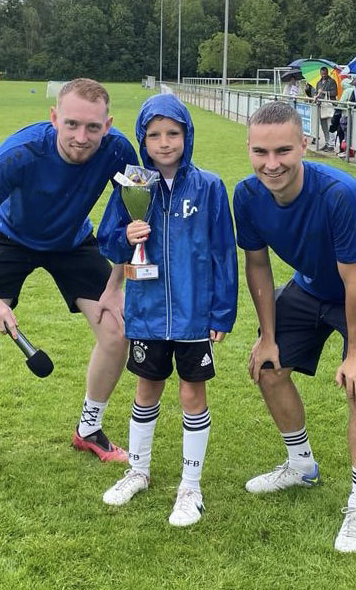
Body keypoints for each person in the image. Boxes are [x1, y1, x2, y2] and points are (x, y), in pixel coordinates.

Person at [0, 78, 139, 486]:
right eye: (71, 124)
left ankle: (89, 429)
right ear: (54, 118)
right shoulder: (21, 152)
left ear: (108, 125)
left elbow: (133, 218)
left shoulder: (120, 150)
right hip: (10, 238)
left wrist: (115, 286)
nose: (81, 137)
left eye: (93, 127)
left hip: (72, 241)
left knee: (118, 329)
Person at [233, 101, 356, 553]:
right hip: (312, 283)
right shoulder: (247, 195)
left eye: (283, 151)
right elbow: (257, 266)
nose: (271, 164)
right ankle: (301, 466)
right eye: (260, 152)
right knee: (268, 368)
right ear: (249, 148)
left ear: (304, 145)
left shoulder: (338, 192)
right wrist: (267, 336)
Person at [97, 93, 238, 526]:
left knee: (192, 394)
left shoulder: (209, 186)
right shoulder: (132, 183)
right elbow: (107, 241)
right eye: (154, 134)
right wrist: (126, 236)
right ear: (142, 139)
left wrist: (222, 313)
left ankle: (190, 487)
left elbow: (223, 253)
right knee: (146, 389)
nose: (164, 142)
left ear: (186, 135)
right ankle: (137, 470)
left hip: (195, 315)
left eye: (172, 133)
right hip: (148, 312)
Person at [314, 67, 338, 151]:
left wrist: (324, 92)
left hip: (329, 106)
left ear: (327, 73)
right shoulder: (318, 83)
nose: (323, 75)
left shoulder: (332, 81)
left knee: (330, 125)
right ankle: (327, 142)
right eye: (322, 74)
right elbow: (316, 92)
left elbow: (335, 93)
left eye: (324, 74)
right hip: (321, 107)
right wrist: (315, 96)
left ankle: (331, 144)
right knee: (323, 126)